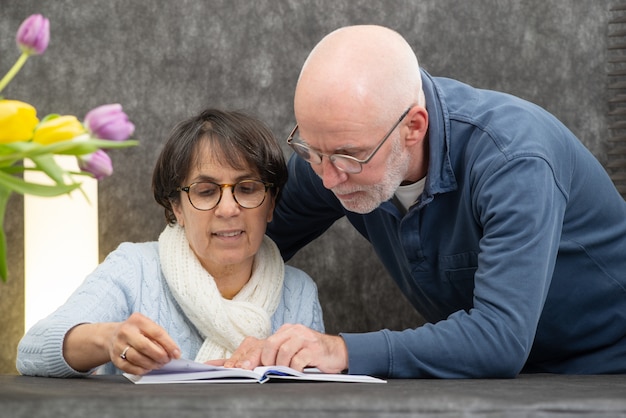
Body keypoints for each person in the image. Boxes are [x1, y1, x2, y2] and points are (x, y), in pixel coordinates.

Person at [223, 25, 626, 378]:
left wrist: (340, 350)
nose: (328, 178)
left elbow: (499, 338)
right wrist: (160, 323)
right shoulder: (333, 154)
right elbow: (236, 244)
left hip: (607, 370)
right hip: (505, 380)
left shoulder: (514, 161)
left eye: (349, 156)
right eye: (312, 150)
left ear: (413, 127)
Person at [16, 108, 324, 377]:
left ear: (271, 204)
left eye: (247, 188)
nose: (229, 209)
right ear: (177, 207)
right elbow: (32, 351)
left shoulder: (298, 293)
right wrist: (109, 340)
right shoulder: (133, 270)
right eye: (205, 191)